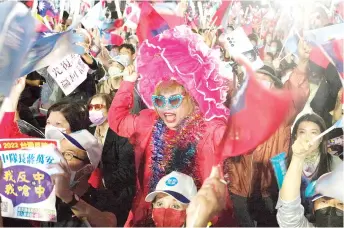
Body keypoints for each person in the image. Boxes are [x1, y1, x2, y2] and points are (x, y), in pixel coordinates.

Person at [108, 25, 238, 226]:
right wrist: (127, 83)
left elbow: (240, 139)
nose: (166, 108)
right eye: (160, 101)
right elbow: (118, 121)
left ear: (192, 97)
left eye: (174, 100)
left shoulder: (211, 129)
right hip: (150, 216)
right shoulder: (148, 122)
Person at [226, 39, 311, 227]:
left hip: (268, 193)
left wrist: (303, 62)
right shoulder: (235, 106)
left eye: (267, 82)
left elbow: (297, 91)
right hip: (237, 191)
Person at [276, 114, 343, 227]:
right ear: (295, 136)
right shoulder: (284, 164)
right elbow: (286, 207)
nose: (307, 138)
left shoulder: (336, 163)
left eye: (313, 133)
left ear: (321, 138)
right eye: (302, 132)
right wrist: (298, 157)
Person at [44, 129, 117, 227]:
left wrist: (67, 196)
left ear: (87, 168)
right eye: (58, 153)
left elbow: (108, 223)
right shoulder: (48, 198)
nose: (59, 159)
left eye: (68, 155)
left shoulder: (103, 199)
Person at [87, 93, 136, 226]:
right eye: (90, 107)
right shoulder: (88, 134)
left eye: (98, 107)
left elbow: (128, 171)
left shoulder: (122, 134)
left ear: (110, 109)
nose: (93, 111)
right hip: (95, 194)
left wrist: (102, 181)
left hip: (120, 195)